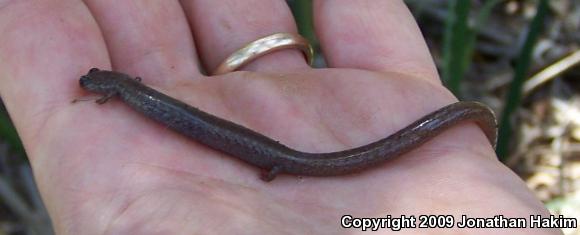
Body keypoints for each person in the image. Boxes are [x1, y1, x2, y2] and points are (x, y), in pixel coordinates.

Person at [0, 1, 561, 234]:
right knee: (286, 156)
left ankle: (463, 115)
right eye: (100, 84)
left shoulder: (121, 93)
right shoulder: (126, 92)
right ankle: (463, 116)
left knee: (285, 156)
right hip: (274, 158)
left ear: (110, 88)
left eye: (100, 82)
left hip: (275, 159)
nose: (99, 85)